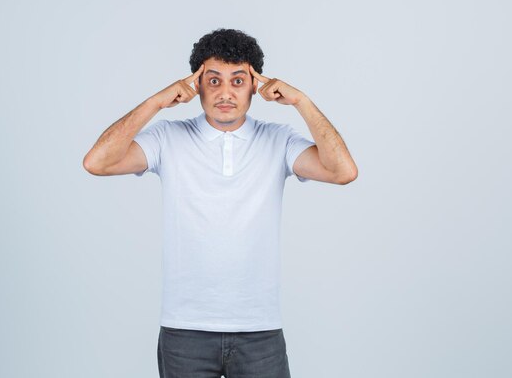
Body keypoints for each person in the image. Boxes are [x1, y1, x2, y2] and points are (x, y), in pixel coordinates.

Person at [83, 28, 358, 378]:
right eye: (213, 81)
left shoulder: (278, 140)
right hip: (185, 331)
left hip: (260, 330)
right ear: (196, 85)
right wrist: (155, 102)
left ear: (255, 87)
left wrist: (302, 101)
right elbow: (97, 162)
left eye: (238, 81)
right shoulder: (168, 138)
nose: (225, 93)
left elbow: (343, 171)